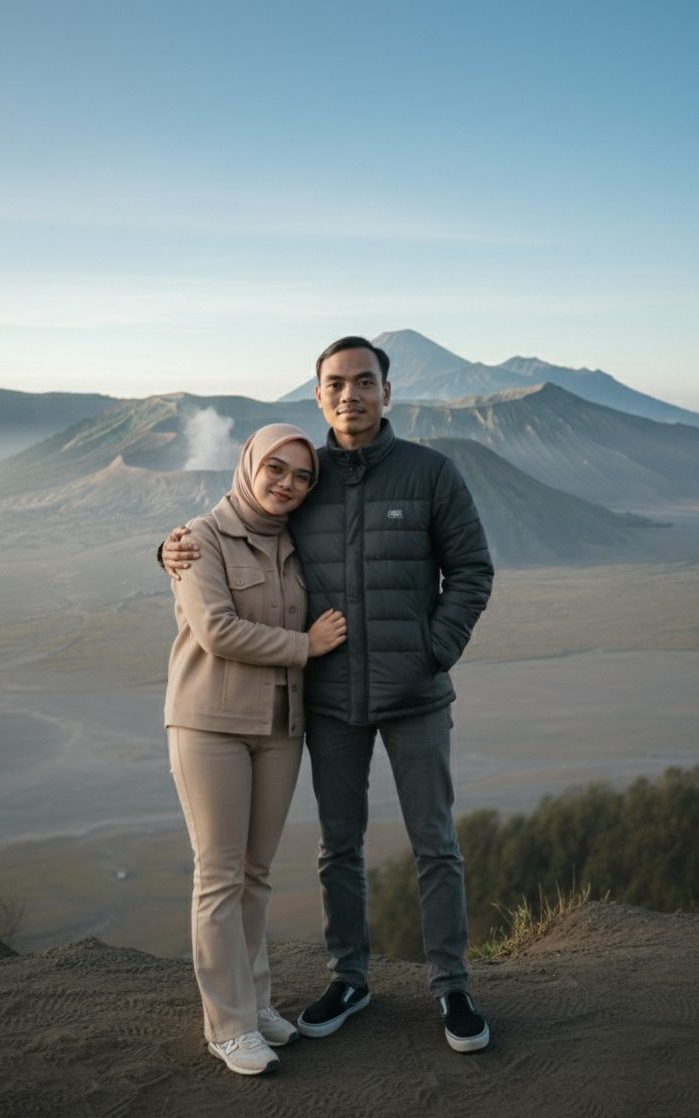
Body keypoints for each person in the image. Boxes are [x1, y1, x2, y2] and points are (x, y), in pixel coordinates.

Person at [161, 337, 494, 1054]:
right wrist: (170, 548)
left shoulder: (431, 473)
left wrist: (433, 653)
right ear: (318, 396)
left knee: (435, 844)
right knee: (337, 847)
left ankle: (452, 984)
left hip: (415, 696)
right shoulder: (304, 479)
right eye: (335, 384)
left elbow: (471, 570)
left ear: (386, 391)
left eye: (363, 381)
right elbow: (236, 526)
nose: (350, 394)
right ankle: (349, 977)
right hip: (330, 699)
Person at [164, 422, 347, 1076]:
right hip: (210, 724)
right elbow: (216, 629)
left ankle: (255, 1003)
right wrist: (305, 646)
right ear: (249, 464)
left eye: (302, 477)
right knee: (218, 876)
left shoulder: (297, 543)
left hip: (279, 727)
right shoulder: (198, 538)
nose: (287, 484)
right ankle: (228, 1026)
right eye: (276, 468)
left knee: (255, 873)